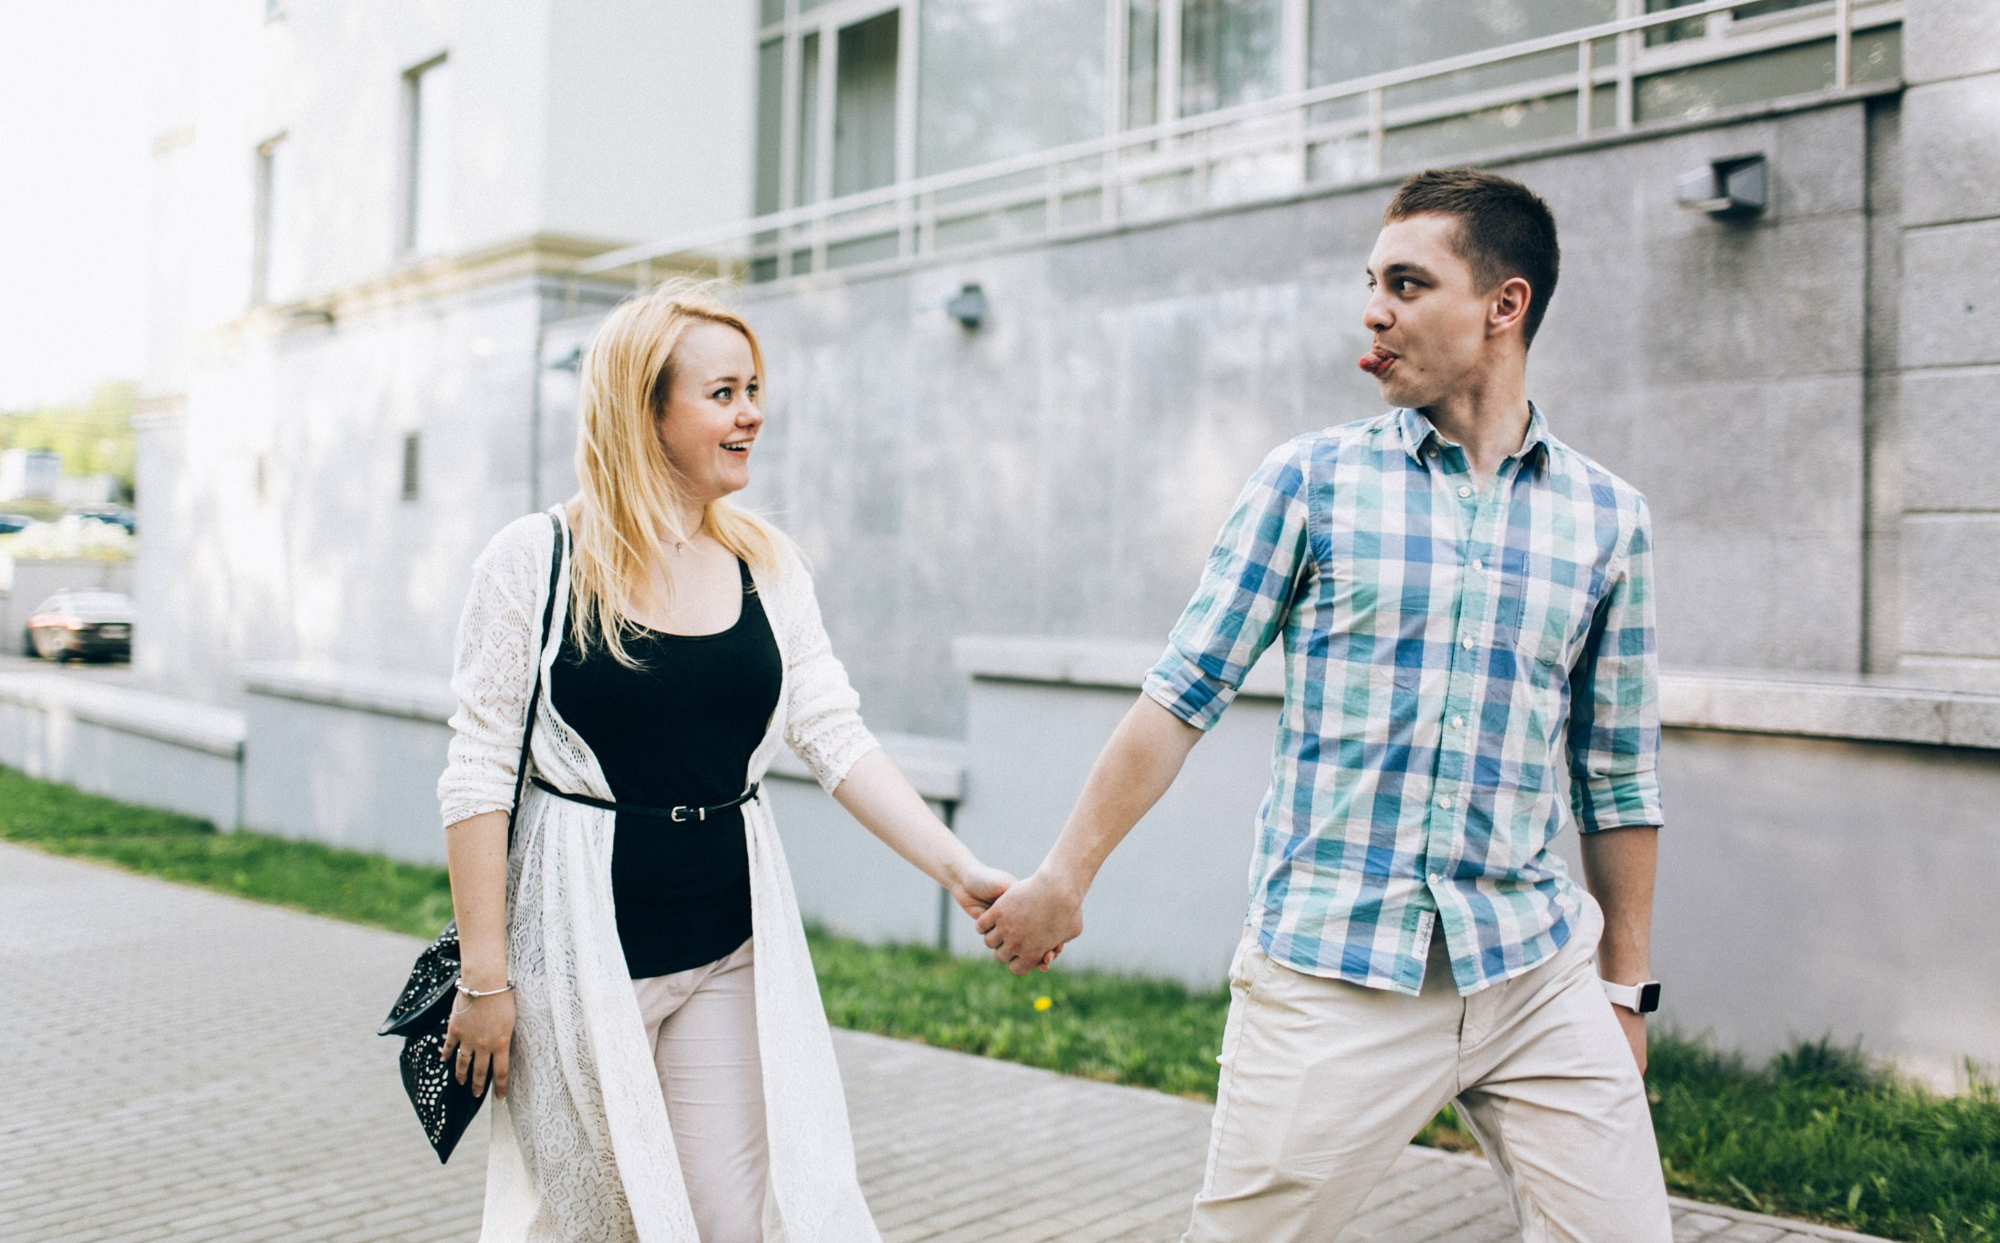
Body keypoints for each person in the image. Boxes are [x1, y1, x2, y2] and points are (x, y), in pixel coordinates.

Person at [978, 167, 1672, 1241]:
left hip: (1531, 970)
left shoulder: (1607, 519)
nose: (1373, 312)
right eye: (1371, 284)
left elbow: (1615, 772)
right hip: (1336, 972)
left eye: (1407, 284)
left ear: (1505, 305)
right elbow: (1180, 696)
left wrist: (1622, 991)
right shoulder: (1310, 484)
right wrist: (1063, 879)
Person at [435, 280, 1012, 1242]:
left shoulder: (766, 565)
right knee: (597, 1223)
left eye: (754, 390)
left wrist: (960, 870)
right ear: (644, 410)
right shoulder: (533, 561)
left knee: (720, 1223)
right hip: (580, 960)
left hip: (726, 951)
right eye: (723, 394)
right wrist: (486, 979)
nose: (752, 413)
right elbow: (478, 773)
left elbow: (834, 734)